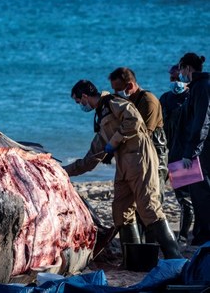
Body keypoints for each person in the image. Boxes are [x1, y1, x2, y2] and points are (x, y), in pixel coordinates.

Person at [63, 80, 181, 260]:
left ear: (85, 96)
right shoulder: (101, 116)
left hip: (140, 159)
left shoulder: (114, 102)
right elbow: (91, 159)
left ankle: (175, 258)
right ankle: (134, 261)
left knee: (149, 209)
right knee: (121, 211)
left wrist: (114, 140)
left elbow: (134, 120)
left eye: (79, 102)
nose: (80, 106)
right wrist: (63, 171)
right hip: (124, 166)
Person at [109, 67, 168, 204]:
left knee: (153, 199)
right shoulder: (129, 102)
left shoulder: (148, 101)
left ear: (130, 85)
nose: (116, 94)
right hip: (139, 154)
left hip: (155, 154)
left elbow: (144, 134)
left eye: (118, 89)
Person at [176, 52, 210, 245]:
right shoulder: (196, 87)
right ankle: (199, 233)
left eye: (181, 68)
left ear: (188, 68)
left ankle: (204, 234)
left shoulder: (202, 87)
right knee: (195, 193)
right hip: (195, 148)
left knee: (201, 193)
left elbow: (201, 122)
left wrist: (190, 152)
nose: (180, 73)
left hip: (200, 150)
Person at [159, 64, 193, 243]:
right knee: (156, 195)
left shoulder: (191, 98)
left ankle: (184, 236)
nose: (175, 82)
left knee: (184, 198)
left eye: (178, 78)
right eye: (172, 79)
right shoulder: (165, 98)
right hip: (165, 153)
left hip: (183, 155)